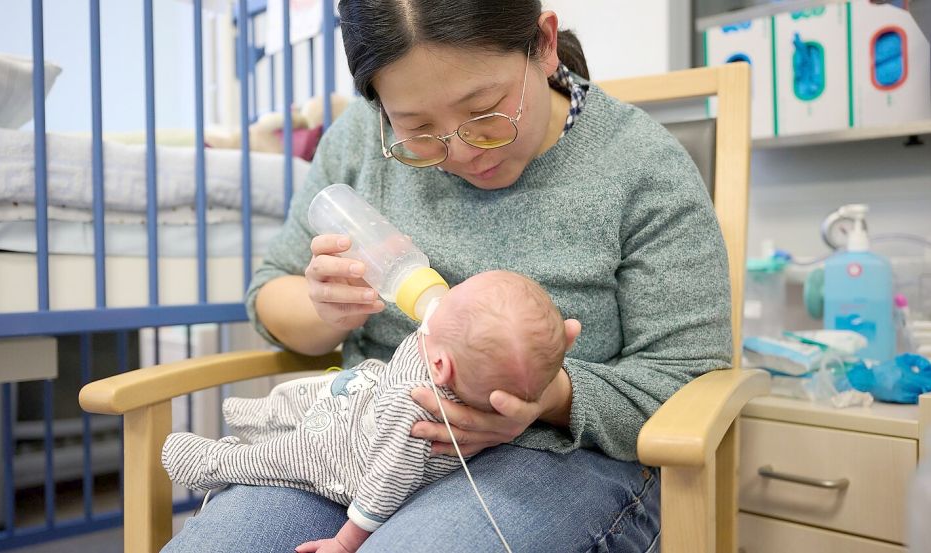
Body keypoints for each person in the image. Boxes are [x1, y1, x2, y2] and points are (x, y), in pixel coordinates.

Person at [162, 0, 732, 551]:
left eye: (484, 112)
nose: (461, 151)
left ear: (544, 44)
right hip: (360, 440)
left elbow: (685, 377)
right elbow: (271, 292)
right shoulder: (361, 140)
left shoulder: (641, 169)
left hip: (559, 455)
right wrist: (326, 308)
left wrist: (551, 395)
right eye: (419, 129)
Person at [161, 271, 573, 553]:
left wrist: (347, 541)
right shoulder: (454, 356)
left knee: (283, 455)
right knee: (310, 395)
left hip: (345, 459)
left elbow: (386, 483)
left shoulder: (413, 416)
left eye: (449, 304)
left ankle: (218, 460)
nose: (440, 298)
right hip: (363, 395)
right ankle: (259, 415)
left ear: (442, 368)